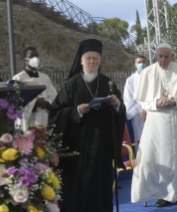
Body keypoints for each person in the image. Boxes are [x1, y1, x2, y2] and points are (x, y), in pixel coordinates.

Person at [48, 39, 126, 212]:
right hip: (77, 148)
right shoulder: (71, 84)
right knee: (76, 191)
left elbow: (121, 112)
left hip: (102, 148)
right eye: (89, 58)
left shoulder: (108, 83)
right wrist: (77, 111)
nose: (92, 62)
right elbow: (55, 113)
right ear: (81, 60)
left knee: (100, 190)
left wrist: (117, 104)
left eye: (96, 58)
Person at [131, 43, 177, 207]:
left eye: (167, 56)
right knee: (160, 158)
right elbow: (142, 101)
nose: (163, 59)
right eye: (160, 56)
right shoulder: (148, 73)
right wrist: (157, 102)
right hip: (156, 124)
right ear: (156, 56)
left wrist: (173, 101)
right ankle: (164, 195)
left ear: (172, 57)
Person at [13, 47, 57, 130]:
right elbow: (15, 101)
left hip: (43, 119)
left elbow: (54, 96)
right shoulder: (18, 78)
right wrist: (36, 103)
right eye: (32, 56)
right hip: (26, 122)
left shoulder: (45, 78)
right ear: (25, 60)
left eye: (37, 56)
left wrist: (46, 102)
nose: (35, 59)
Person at [123, 56, 147, 148]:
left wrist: (147, 110)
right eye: (139, 62)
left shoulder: (151, 77)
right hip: (137, 115)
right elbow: (128, 98)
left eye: (143, 62)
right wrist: (140, 110)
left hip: (150, 112)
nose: (141, 64)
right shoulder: (130, 80)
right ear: (135, 64)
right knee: (140, 142)